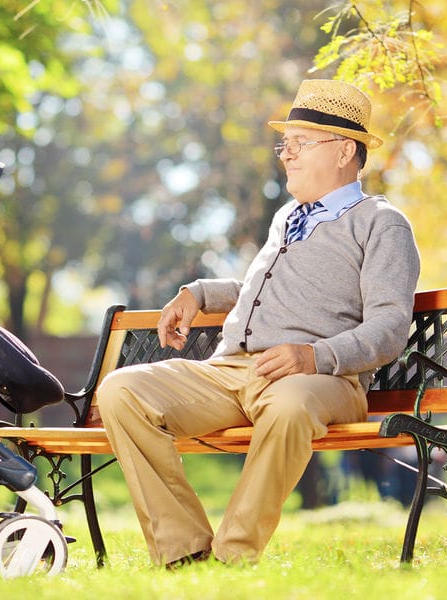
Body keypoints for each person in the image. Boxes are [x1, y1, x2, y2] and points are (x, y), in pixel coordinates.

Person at [96, 79, 420, 568]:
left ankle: (233, 556)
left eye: (300, 143)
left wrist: (313, 355)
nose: (286, 156)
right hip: (231, 370)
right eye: (284, 145)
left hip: (321, 379)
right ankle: (183, 550)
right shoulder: (288, 217)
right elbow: (256, 289)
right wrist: (198, 294)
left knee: (290, 405)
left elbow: (391, 326)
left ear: (344, 151)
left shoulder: (381, 222)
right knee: (121, 391)